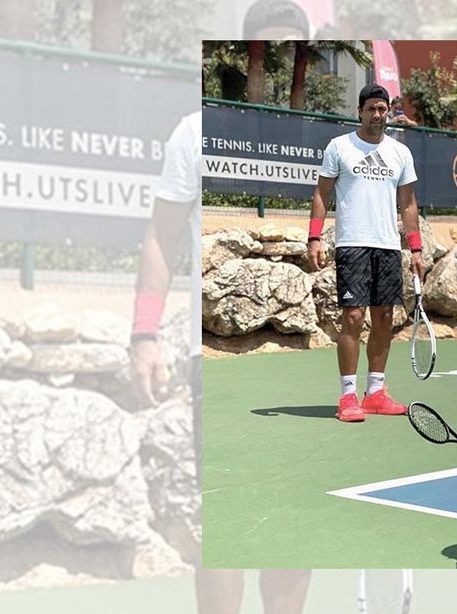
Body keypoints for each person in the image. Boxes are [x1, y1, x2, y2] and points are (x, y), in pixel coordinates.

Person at [130, 109, 312, 613]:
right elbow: (160, 238)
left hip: (300, 363)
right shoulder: (191, 131)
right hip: (217, 362)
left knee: (291, 521)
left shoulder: (325, 141)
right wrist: (144, 333)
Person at [308, 83, 424, 422]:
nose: (377, 115)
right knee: (354, 318)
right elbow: (321, 195)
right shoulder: (339, 147)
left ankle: (375, 392)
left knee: (384, 318)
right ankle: (348, 396)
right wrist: (314, 238)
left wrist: (416, 248)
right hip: (352, 244)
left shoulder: (400, 153)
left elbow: (409, 203)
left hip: (388, 246)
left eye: (382, 109)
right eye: (371, 108)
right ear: (360, 111)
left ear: (389, 112)